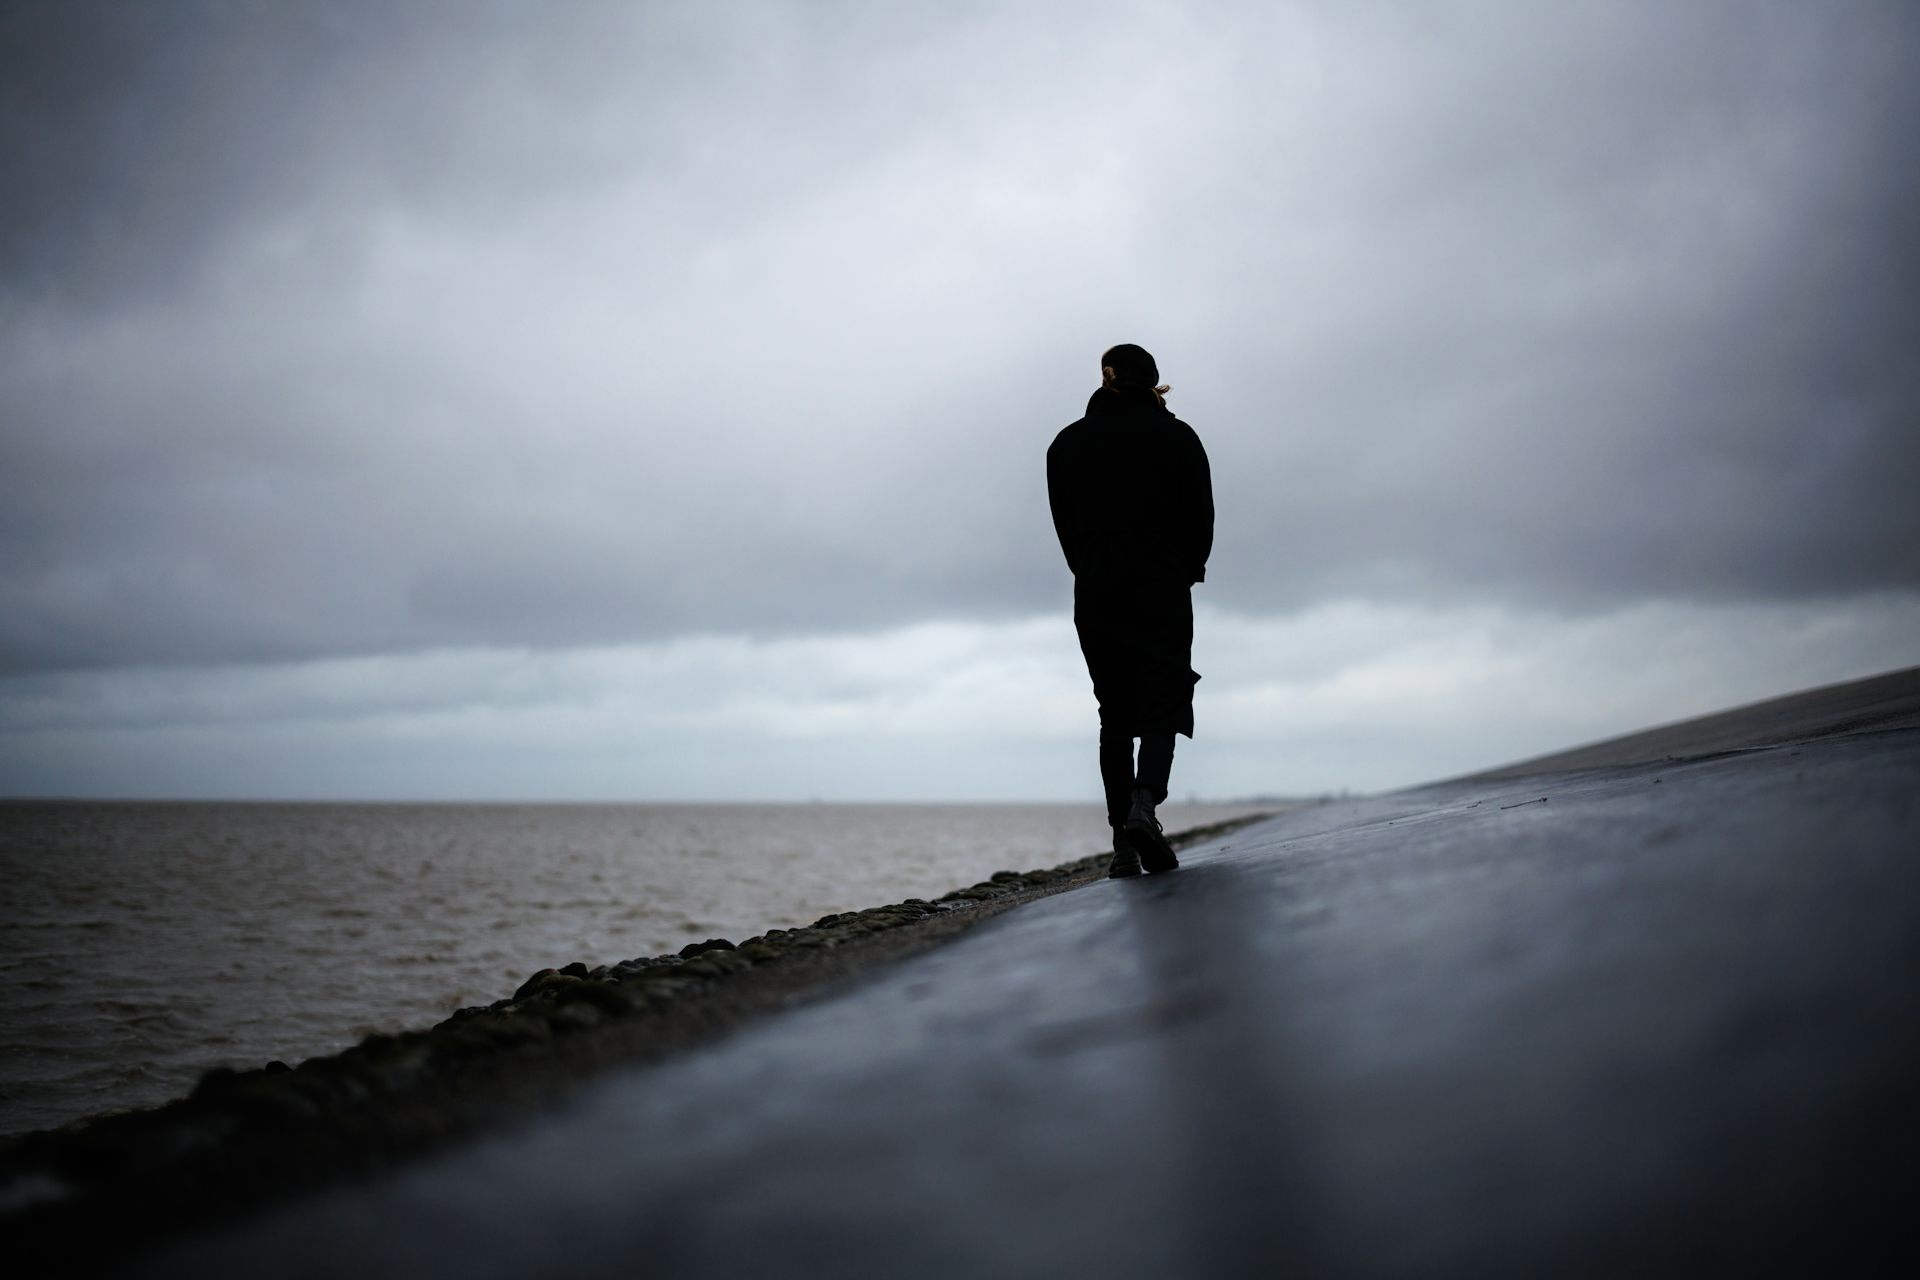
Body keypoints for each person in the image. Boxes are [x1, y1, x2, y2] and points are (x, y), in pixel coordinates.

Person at [1047, 343, 1213, 878]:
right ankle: (1145, 806)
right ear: (1153, 382)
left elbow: (1064, 526)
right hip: (1161, 586)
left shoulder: (1066, 444)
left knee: (1114, 712)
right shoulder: (1178, 436)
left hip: (1097, 589)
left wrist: (1090, 571)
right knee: (1163, 697)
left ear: (1106, 377)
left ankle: (1122, 841)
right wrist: (1187, 569)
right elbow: (1201, 515)